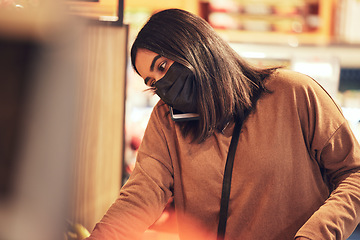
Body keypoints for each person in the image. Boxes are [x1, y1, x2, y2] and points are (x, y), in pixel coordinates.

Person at [86, 8, 360, 240]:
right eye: (152, 82)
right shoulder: (167, 121)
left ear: (194, 47)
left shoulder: (293, 93)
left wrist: (315, 235)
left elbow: (354, 174)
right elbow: (141, 194)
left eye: (163, 66)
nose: (162, 86)